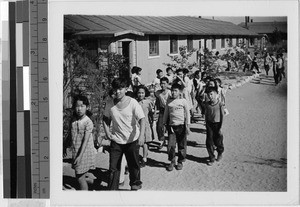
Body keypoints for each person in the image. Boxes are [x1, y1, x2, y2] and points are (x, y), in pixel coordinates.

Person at [102, 78, 145, 190]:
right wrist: (107, 133)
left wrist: (141, 136)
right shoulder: (110, 103)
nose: (117, 92)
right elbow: (106, 119)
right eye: (115, 89)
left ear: (126, 89)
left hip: (132, 140)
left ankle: (135, 184)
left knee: (133, 165)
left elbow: (142, 119)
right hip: (117, 141)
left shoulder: (133, 102)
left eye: (120, 89)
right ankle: (113, 190)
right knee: (113, 167)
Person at [71, 95, 97, 190]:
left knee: (79, 177)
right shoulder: (74, 120)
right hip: (76, 150)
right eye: (77, 106)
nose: (79, 109)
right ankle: (93, 182)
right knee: (80, 174)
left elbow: (85, 141)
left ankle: (84, 197)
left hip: (84, 152)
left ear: (87, 107)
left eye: (82, 106)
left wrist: (79, 156)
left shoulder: (88, 122)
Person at [163, 83, 190, 171]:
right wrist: (163, 124)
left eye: (176, 91)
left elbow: (188, 114)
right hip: (171, 126)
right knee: (171, 145)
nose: (173, 93)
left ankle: (180, 161)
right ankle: (172, 161)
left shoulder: (183, 101)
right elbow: (166, 113)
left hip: (181, 126)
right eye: (172, 91)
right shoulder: (169, 101)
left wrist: (188, 125)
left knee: (182, 145)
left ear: (180, 92)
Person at [204, 86, 225, 166]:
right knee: (209, 142)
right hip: (209, 124)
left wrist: (221, 127)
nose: (210, 96)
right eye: (209, 95)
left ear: (216, 94)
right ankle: (211, 157)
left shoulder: (220, 104)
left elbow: (222, 115)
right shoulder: (207, 104)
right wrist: (206, 123)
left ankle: (220, 152)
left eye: (212, 94)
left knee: (218, 141)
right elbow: (206, 114)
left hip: (218, 124)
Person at [136, 85, 155, 167]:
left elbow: (151, 112)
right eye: (139, 93)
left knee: (144, 142)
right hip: (136, 125)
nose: (141, 95)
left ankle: (144, 158)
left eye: (142, 93)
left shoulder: (148, 102)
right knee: (136, 143)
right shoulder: (134, 102)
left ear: (145, 93)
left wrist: (152, 121)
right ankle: (136, 158)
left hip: (145, 124)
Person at [155, 77, 172, 149]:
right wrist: (155, 111)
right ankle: (162, 140)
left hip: (170, 111)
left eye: (164, 83)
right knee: (159, 126)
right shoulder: (157, 93)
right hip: (162, 111)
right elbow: (157, 101)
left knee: (170, 127)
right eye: (161, 83)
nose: (162, 85)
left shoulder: (170, 92)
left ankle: (171, 143)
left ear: (167, 84)